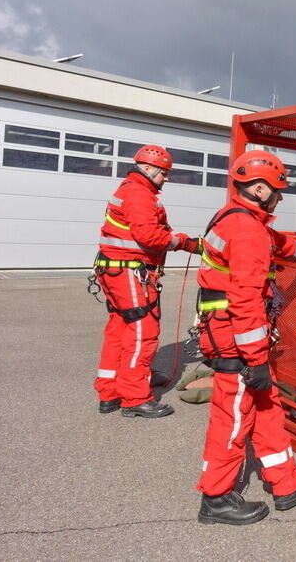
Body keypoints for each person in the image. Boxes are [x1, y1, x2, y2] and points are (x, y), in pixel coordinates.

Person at [195, 150, 296, 526]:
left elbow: (282, 244)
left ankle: (286, 482)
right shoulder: (248, 231)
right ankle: (215, 497)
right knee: (233, 419)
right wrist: (254, 359)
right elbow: (246, 299)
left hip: (230, 334)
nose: (281, 197)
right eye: (277, 190)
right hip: (235, 341)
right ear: (259, 188)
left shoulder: (238, 219)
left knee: (267, 406)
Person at [92, 145, 202, 418]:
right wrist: (187, 243)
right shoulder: (139, 193)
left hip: (117, 270)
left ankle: (110, 391)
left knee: (120, 331)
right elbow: (150, 236)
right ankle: (135, 397)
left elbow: (147, 232)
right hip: (130, 272)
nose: (167, 178)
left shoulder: (131, 190)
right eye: (164, 172)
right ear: (149, 169)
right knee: (142, 334)